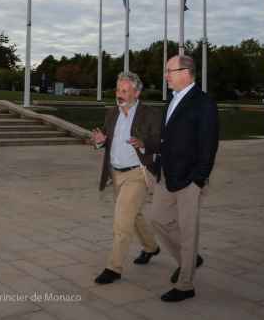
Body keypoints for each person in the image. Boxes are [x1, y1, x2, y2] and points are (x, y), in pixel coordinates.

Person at [149, 55, 219, 302]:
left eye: (170, 70)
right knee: (157, 219)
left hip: (189, 178)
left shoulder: (204, 103)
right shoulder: (172, 100)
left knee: (188, 231)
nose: (166, 75)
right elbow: (167, 138)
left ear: (186, 72)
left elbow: (208, 144)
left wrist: (199, 178)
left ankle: (185, 284)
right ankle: (188, 259)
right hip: (166, 174)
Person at [90, 71, 162, 285]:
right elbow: (105, 138)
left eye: (125, 91)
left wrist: (144, 143)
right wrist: (100, 141)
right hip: (116, 173)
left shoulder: (149, 114)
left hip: (137, 173)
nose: (119, 94)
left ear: (136, 93)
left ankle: (114, 267)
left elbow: (159, 141)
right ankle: (151, 247)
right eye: (118, 90)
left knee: (122, 220)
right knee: (134, 215)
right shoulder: (112, 112)